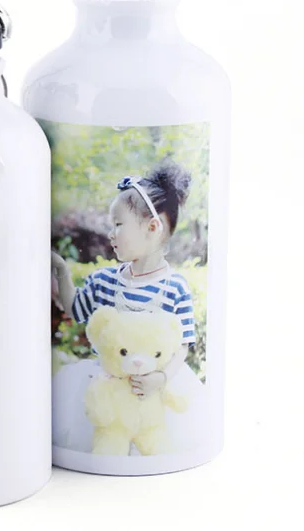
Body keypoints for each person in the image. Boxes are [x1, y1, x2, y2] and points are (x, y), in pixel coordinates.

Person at [51, 160, 204, 455]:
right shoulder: (105, 280)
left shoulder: (174, 287)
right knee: (107, 444)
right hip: (111, 390)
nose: (111, 233)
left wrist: (161, 378)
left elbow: (183, 345)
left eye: (118, 225)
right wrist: (62, 273)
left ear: (152, 227)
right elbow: (75, 308)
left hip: (153, 393)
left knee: (157, 446)